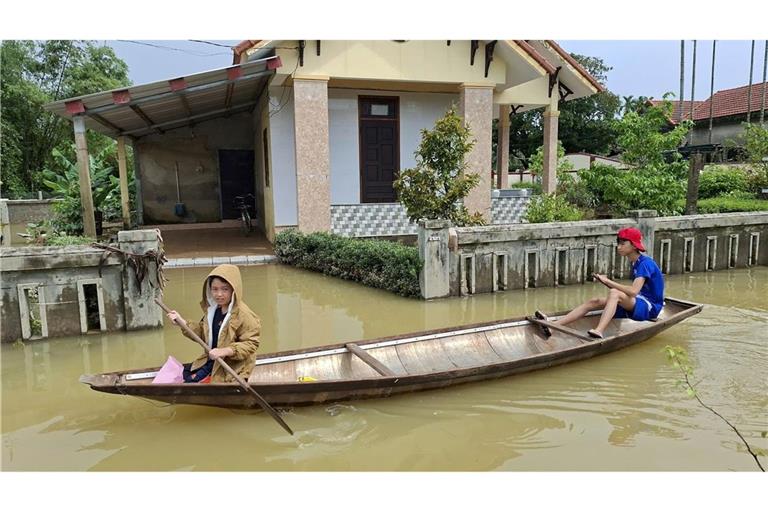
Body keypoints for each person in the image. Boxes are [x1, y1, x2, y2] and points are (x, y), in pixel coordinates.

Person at [535, 227, 664, 340]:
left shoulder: (645, 264)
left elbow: (633, 292)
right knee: (594, 301)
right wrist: (605, 282)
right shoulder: (635, 262)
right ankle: (554, 326)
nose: (618, 247)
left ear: (634, 246)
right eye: (618, 243)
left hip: (650, 307)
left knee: (615, 293)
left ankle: (599, 331)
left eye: (622, 243)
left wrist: (608, 281)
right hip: (639, 301)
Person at [166, 264, 260, 383]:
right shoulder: (213, 310)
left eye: (224, 289)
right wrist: (182, 323)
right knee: (178, 374)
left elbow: (251, 344)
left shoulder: (245, 315)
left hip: (230, 368)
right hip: (211, 361)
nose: (219, 294)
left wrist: (225, 351)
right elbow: (203, 332)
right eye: (215, 289)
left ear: (234, 290)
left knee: (189, 383)